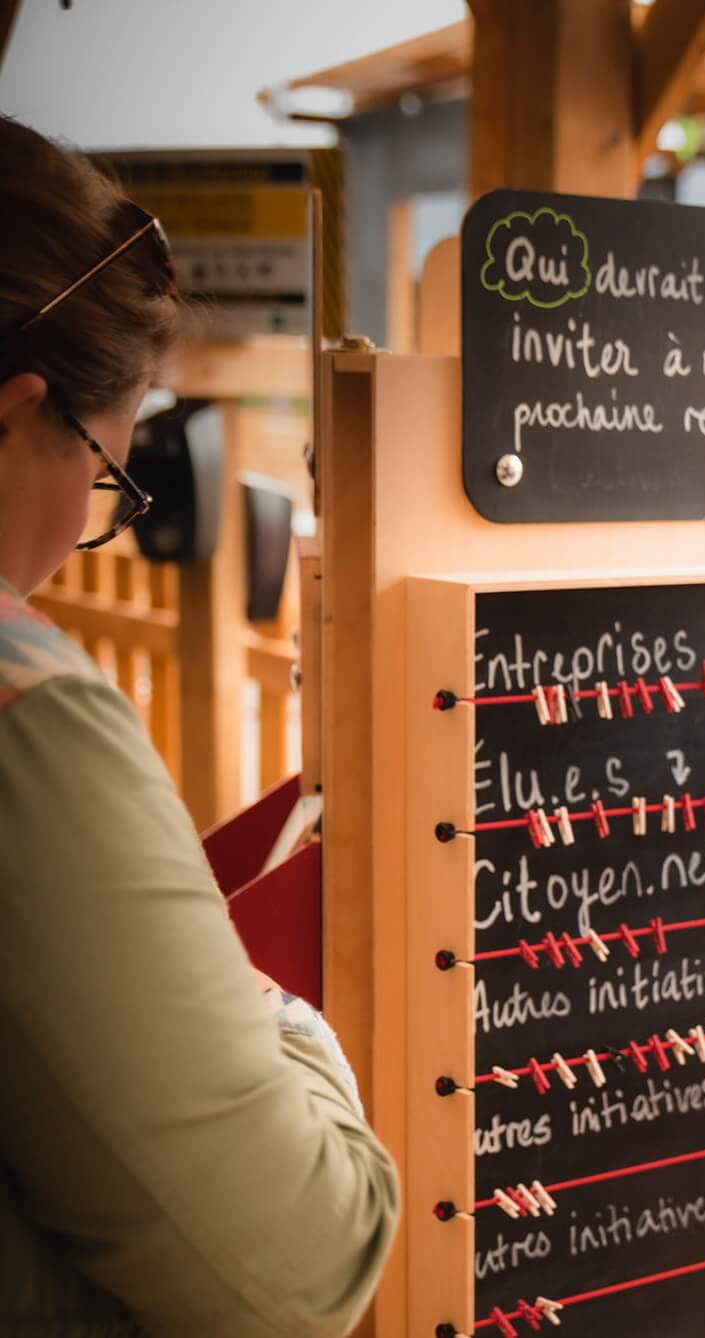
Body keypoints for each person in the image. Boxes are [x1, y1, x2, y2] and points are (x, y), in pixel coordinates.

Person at [0, 117, 400, 1335]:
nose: (82, 539)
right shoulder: (29, 717)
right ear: (17, 414)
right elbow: (308, 1256)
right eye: (103, 477)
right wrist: (279, 1015)